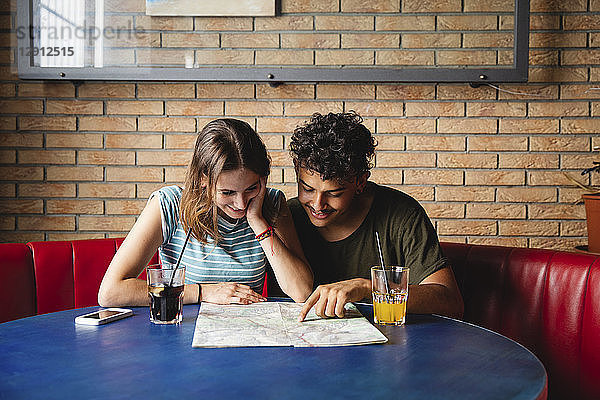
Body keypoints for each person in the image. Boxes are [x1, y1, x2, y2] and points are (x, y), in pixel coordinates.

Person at [98, 118, 313, 307]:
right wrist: (204, 292)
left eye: (251, 188)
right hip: (184, 331)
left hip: (248, 334)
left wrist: (257, 221)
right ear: (203, 179)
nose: (240, 203)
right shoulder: (169, 204)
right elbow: (111, 292)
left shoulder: (272, 203)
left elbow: (301, 291)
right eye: (227, 192)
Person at [286, 112, 464, 321]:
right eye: (307, 189)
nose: (317, 204)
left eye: (334, 193)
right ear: (297, 171)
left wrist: (370, 288)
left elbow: (451, 303)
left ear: (360, 181)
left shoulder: (401, 214)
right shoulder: (288, 216)